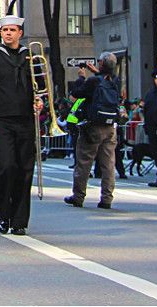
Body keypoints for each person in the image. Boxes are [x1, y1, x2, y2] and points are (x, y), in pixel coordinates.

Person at [0, 16, 42, 236]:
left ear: (20, 33)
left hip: (25, 120)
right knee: (5, 167)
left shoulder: (30, 57)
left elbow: (40, 86)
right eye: (5, 30)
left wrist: (40, 100)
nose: (8, 33)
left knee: (24, 170)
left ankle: (20, 220)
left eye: (12, 30)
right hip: (1, 120)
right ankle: (3, 214)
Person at [64, 52, 121, 209]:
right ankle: (107, 198)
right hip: (110, 127)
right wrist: (97, 71)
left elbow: (76, 93)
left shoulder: (93, 81)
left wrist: (82, 77)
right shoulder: (115, 81)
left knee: (84, 161)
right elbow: (105, 80)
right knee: (108, 164)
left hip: (93, 126)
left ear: (101, 63)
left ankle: (78, 195)